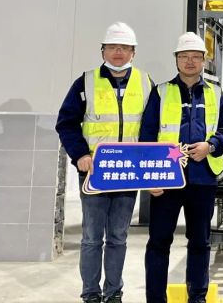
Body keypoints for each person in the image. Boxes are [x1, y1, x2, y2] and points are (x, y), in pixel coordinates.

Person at [56, 22, 152, 303]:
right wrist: (80, 155)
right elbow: (67, 123)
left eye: (124, 48)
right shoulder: (85, 83)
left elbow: (152, 127)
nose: (118, 52)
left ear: (133, 52)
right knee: (91, 237)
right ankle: (90, 294)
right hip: (94, 172)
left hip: (128, 173)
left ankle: (113, 293)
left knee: (118, 237)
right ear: (103, 51)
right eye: (112, 47)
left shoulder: (146, 82)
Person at [139, 32, 223, 303]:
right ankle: (155, 299)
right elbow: (147, 135)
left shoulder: (215, 92)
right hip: (166, 180)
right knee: (158, 242)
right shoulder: (161, 92)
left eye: (195, 57)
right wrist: (149, 177)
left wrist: (211, 145)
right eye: (184, 56)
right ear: (176, 60)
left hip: (202, 178)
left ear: (204, 60)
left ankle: (197, 297)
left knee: (200, 242)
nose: (190, 61)